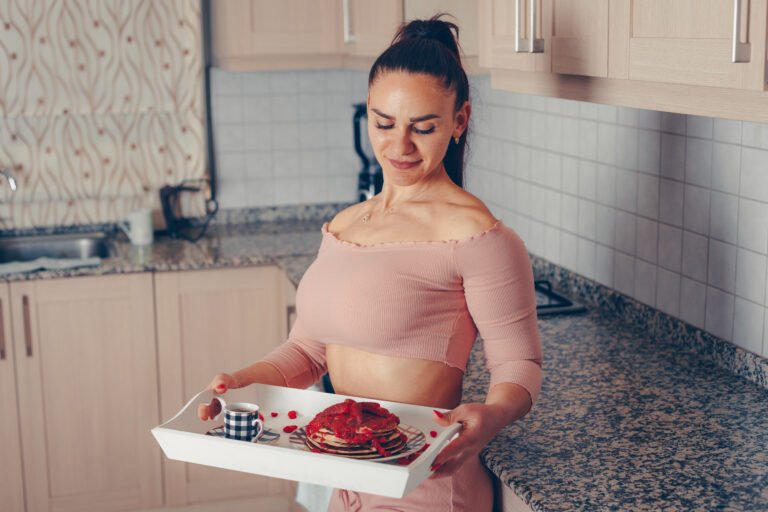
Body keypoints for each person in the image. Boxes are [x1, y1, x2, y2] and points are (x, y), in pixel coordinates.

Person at [199, 15, 542, 512]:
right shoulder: (344, 227)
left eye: (423, 128)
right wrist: (244, 382)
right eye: (384, 124)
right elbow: (309, 350)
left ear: (459, 121)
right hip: (346, 479)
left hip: (426, 487)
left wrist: (492, 413)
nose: (399, 146)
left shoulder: (478, 236)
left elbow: (519, 363)